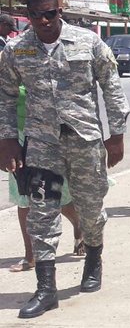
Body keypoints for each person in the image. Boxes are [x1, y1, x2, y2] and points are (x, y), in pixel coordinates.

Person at [0, 0, 129, 318]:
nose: (44, 21)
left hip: (84, 140)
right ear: (26, 16)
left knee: (90, 207)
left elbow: (111, 87)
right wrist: (8, 140)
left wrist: (116, 135)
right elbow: (6, 98)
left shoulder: (88, 42)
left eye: (50, 13)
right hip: (42, 145)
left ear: (61, 11)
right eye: (36, 15)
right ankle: (46, 289)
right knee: (42, 212)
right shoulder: (16, 50)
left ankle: (94, 257)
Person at [8, 86, 83, 272]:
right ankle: (30, 255)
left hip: (47, 134)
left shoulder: (35, 62)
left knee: (57, 196)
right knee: (23, 197)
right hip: (15, 138)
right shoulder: (6, 64)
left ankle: (79, 225)